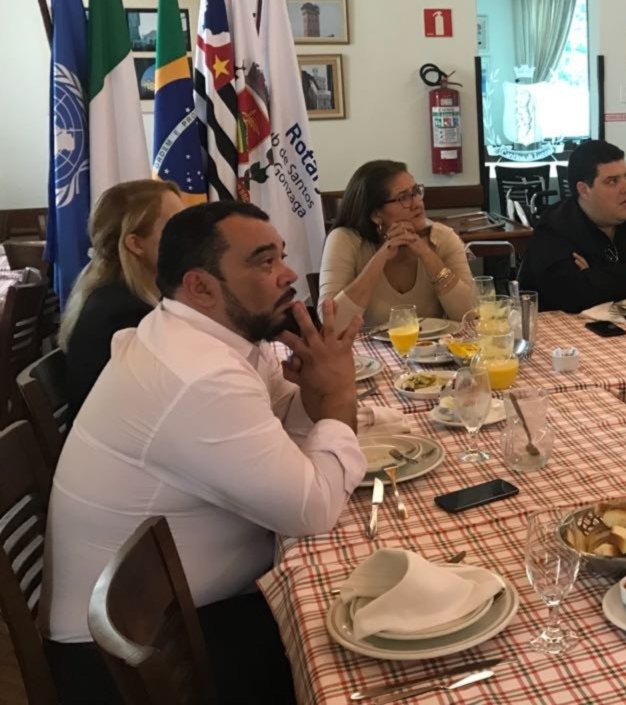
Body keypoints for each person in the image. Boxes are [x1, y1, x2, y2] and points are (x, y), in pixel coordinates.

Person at [45, 201, 363, 704]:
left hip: (171, 612)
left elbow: (286, 424)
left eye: (281, 255)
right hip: (130, 662)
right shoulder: (199, 376)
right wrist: (339, 393)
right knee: (359, 651)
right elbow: (314, 510)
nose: (287, 274)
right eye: (264, 261)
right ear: (200, 287)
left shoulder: (207, 335)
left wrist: (315, 392)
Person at [57, 179, 185, 421]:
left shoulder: (118, 294)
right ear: (135, 243)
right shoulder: (125, 313)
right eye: (177, 226)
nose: (192, 236)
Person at [518, 139, 626, 313]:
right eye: (612, 181)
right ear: (584, 190)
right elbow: (569, 296)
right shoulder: (555, 226)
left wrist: (595, 278)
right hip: (565, 328)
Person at [319, 160, 475, 326]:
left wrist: (426, 254)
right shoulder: (345, 240)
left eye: (416, 192)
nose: (417, 203)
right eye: (403, 197)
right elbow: (332, 323)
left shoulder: (442, 237)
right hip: (365, 343)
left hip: (434, 343)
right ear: (376, 215)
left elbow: (470, 315)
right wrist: (381, 257)